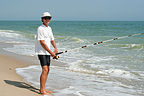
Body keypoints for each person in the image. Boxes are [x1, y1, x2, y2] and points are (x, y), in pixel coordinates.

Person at [35, 12, 58, 95]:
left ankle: (44, 88)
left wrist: (55, 48)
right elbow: (42, 42)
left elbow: (52, 40)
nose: (47, 19)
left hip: (47, 52)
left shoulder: (49, 28)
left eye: (49, 18)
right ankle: (42, 90)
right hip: (41, 52)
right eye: (45, 18)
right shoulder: (40, 28)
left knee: (48, 70)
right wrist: (51, 52)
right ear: (42, 19)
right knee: (45, 70)